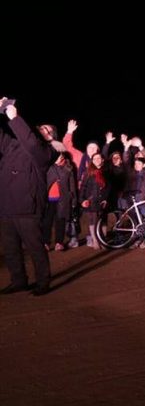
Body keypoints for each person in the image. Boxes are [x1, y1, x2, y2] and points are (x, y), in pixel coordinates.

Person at [0, 98, 55, 296]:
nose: (43, 130)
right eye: (42, 127)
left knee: (35, 248)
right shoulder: (12, 145)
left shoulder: (46, 152)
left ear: (50, 138)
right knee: (11, 249)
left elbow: (31, 143)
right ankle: (19, 281)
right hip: (6, 206)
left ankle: (43, 281)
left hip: (28, 208)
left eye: (48, 131)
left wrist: (15, 118)